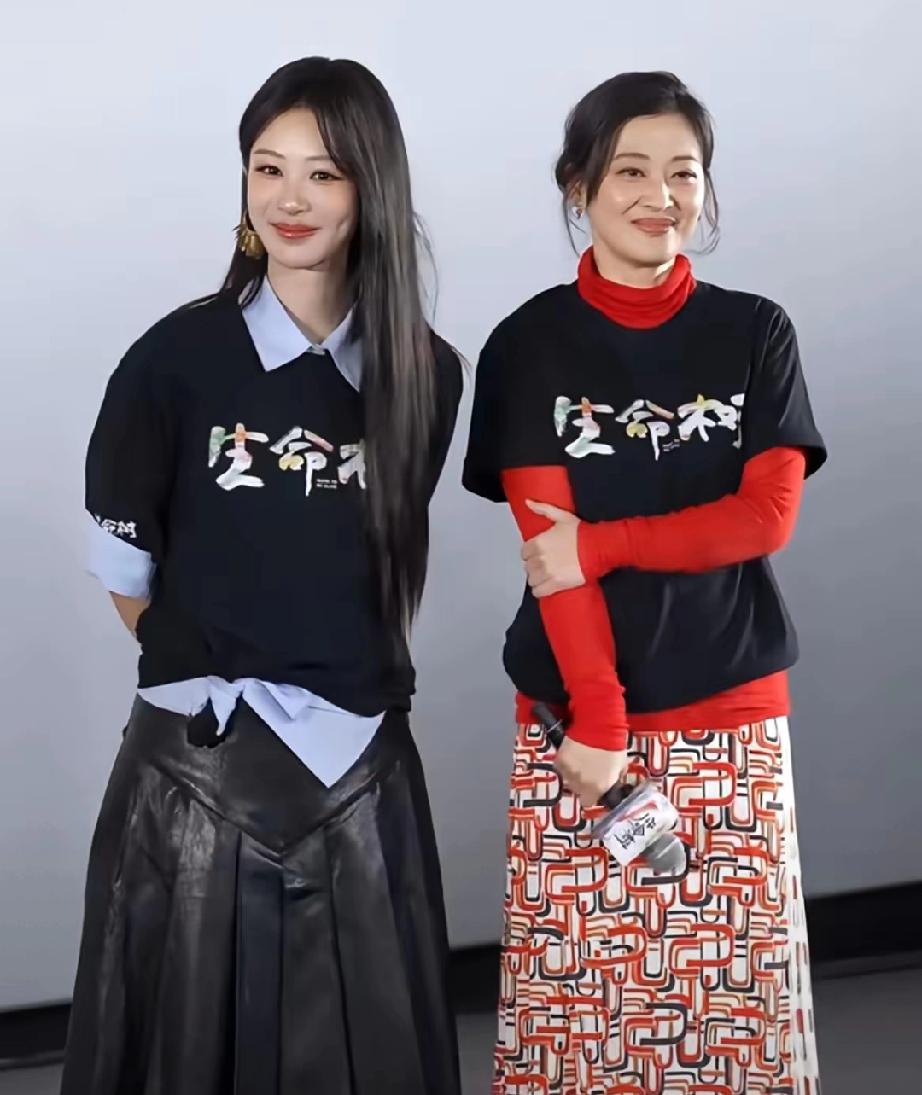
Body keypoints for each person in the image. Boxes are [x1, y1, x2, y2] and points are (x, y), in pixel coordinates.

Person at [63, 56, 462, 1095]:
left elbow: (362, 563)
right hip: (194, 776)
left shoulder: (425, 372)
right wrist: (227, 675)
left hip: (361, 771)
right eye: (267, 168)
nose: (290, 199)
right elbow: (126, 571)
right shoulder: (173, 359)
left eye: (323, 173)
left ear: (372, 187)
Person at [464, 71, 824, 1093]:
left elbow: (764, 519)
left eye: (683, 173)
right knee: (583, 1030)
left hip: (732, 708)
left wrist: (607, 542)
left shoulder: (755, 331)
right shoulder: (529, 344)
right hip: (580, 731)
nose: (659, 196)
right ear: (578, 184)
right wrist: (600, 726)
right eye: (629, 170)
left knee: (738, 1026)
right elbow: (551, 557)